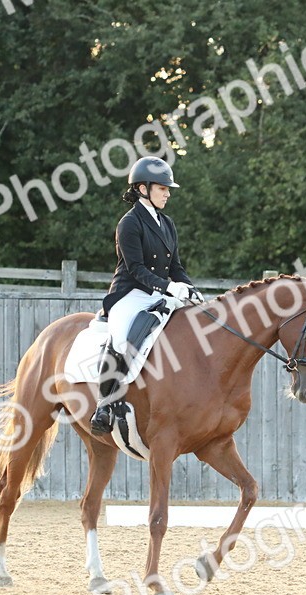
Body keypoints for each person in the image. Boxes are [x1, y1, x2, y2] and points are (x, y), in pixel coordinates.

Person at [90, 156, 204, 435]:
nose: (167, 194)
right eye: (162, 188)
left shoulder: (167, 223)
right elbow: (136, 269)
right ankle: (104, 405)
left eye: (168, 189)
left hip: (157, 293)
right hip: (129, 294)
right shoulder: (129, 223)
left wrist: (190, 289)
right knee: (122, 336)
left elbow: (175, 267)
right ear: (143, 188)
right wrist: (168, 287)